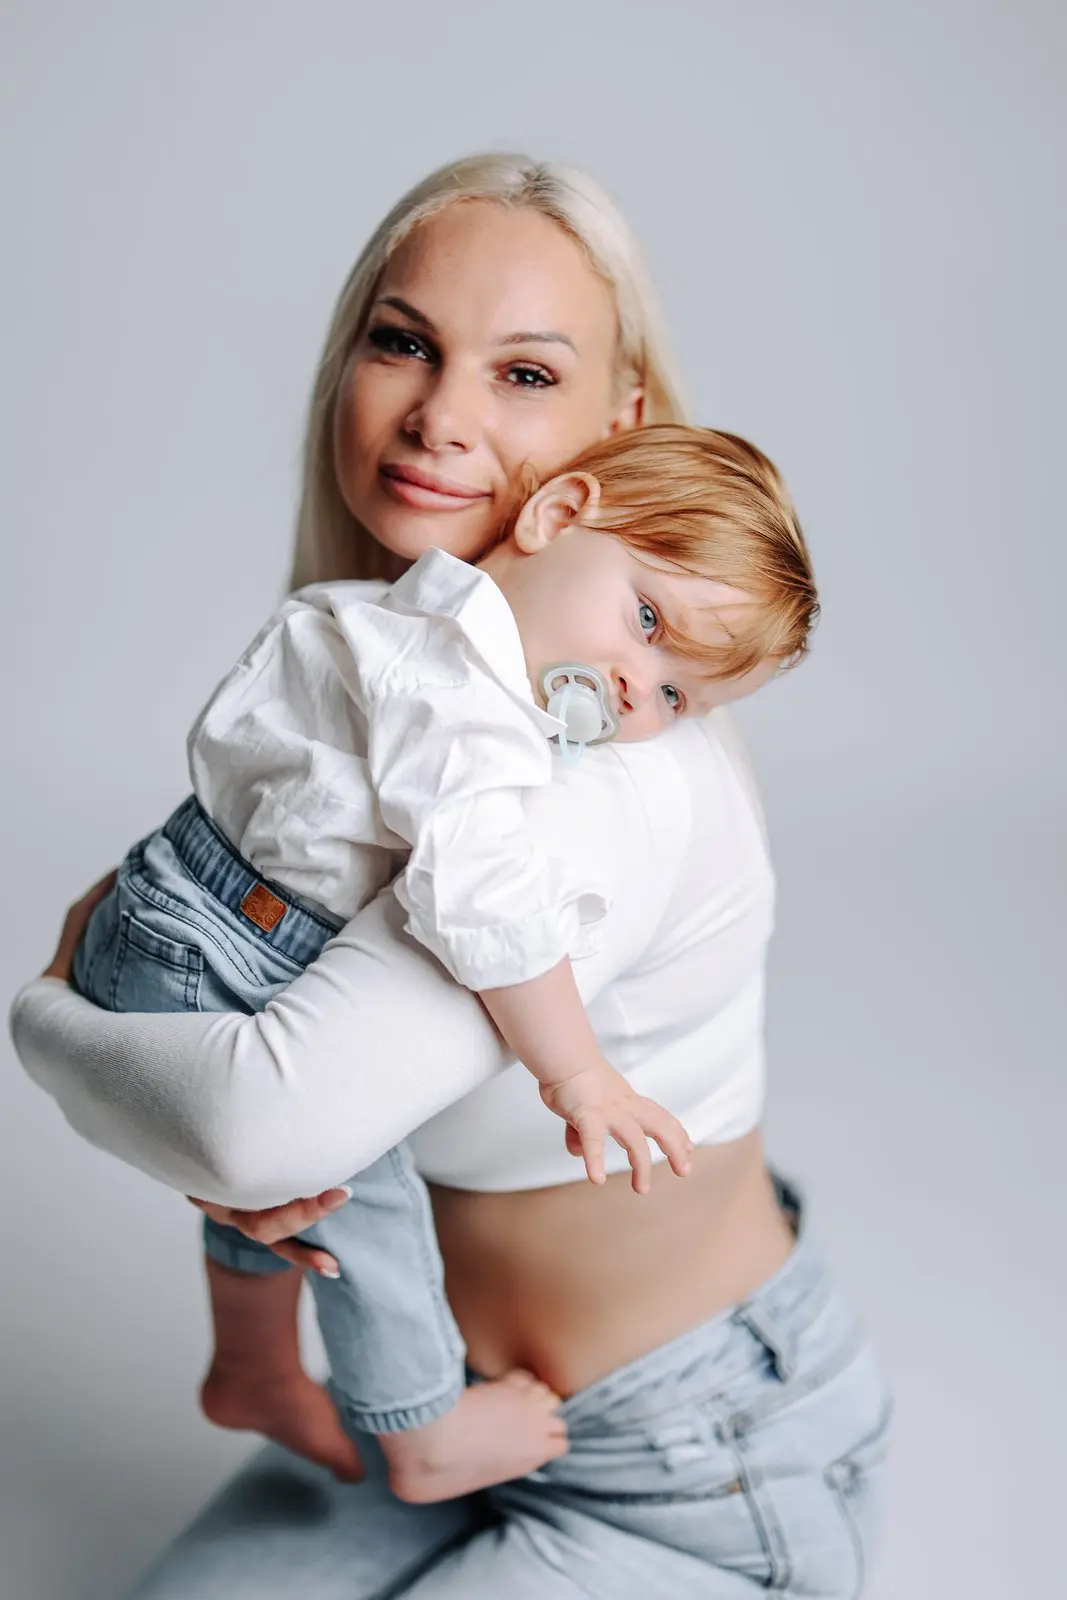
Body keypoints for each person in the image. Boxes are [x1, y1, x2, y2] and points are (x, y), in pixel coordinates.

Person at [11, 153, 890, 1596]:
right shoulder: (395, 659)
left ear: (615, 434)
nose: (439, 415)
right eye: (402, 342)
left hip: (687, 1456)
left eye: (524, 374)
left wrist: (45, 1022)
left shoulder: (585, 776)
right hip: (448, 1394)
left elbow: (250, 1129)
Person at [71, 421, 815, 1505]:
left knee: (291, 1195)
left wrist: (53, 1019)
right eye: (644, 621)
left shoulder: (408, 616)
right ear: (557, 516)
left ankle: (255, 1365)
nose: (629, 688)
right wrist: (577, 1076)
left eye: (674, 697)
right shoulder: (460, 694)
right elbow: (480, 900)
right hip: (238, 940)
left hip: (163, 902)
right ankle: (419, 1427)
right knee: (351, 1180)